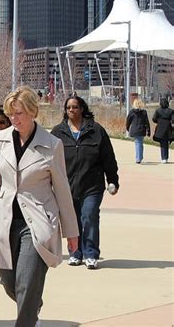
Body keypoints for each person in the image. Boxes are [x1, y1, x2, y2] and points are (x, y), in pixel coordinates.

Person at [0, 86, 79, 327]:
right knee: (9, 282)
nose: (14, 119)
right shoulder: (0, 140)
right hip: (6, 221)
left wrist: (72, 232)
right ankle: (33, 305)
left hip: (38, 223)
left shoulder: (52, 145)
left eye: (19, 113)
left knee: (27, 280)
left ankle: (27, 317)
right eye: (11, 114)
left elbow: (63, 191)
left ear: (33, 112)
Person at [51, 95, 119, 270]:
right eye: (68, 108)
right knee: (72, 220)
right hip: (67, 186)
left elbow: (108, 158)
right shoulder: (58, 132)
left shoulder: (96, 131)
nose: (71, 110)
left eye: (75, 107)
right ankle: (75, 253)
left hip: (92, 185)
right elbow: (48, 160)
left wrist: (113, 180)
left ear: (82, 109)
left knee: (88, 215)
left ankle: (90, 254)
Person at [126, 98, 151, 163]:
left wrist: (127, 128)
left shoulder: (132, 112)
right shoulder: (144, 112)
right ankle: (139, 158)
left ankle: (139, 158)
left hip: (134, 129)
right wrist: (148, 131)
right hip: (142, 129)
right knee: (139, 143)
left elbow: (128, 121)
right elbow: (147, 122)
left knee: (138, 143)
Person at [152, 98, 173, 164]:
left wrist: (158, 121)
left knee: (162, 143)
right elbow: (173, 119)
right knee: (166, 142)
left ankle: (163, 157)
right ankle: (166, 157)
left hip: (160, 127)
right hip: (168, 127)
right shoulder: (171, 111)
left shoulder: (158, 110)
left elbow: (154, 119)